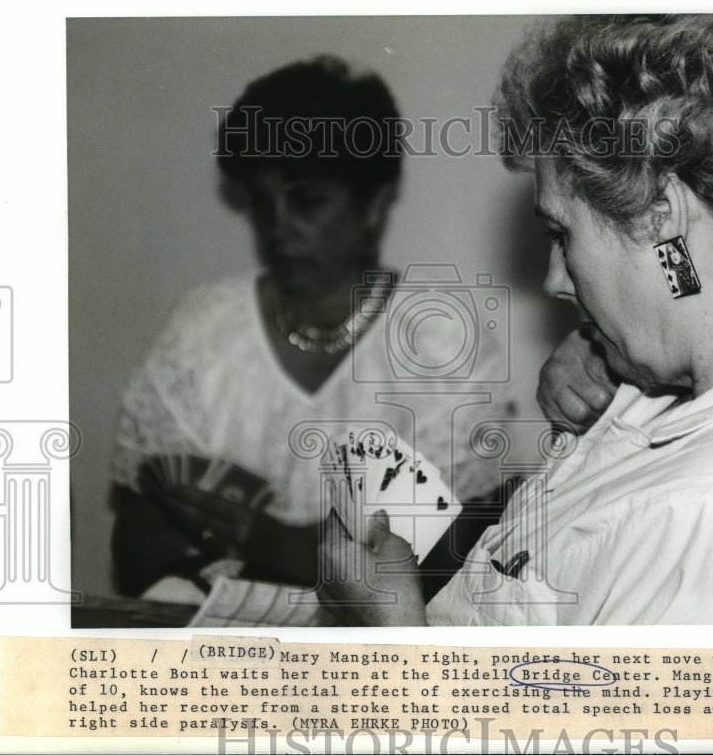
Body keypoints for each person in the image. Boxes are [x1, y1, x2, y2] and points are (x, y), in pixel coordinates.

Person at [317, 13, 713, 625]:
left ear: (662, 217)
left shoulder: (706, 521)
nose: (554, 281)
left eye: (562, 234)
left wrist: (390, 627)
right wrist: (621, 373)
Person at [108, 56, 519, 624]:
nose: (278, 228)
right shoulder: (205, 329)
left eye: (306, 202)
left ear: (371, 206)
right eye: (262, 201)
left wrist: (269, 544)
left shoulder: (437, 337)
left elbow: (457, 560)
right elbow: (139, 545)